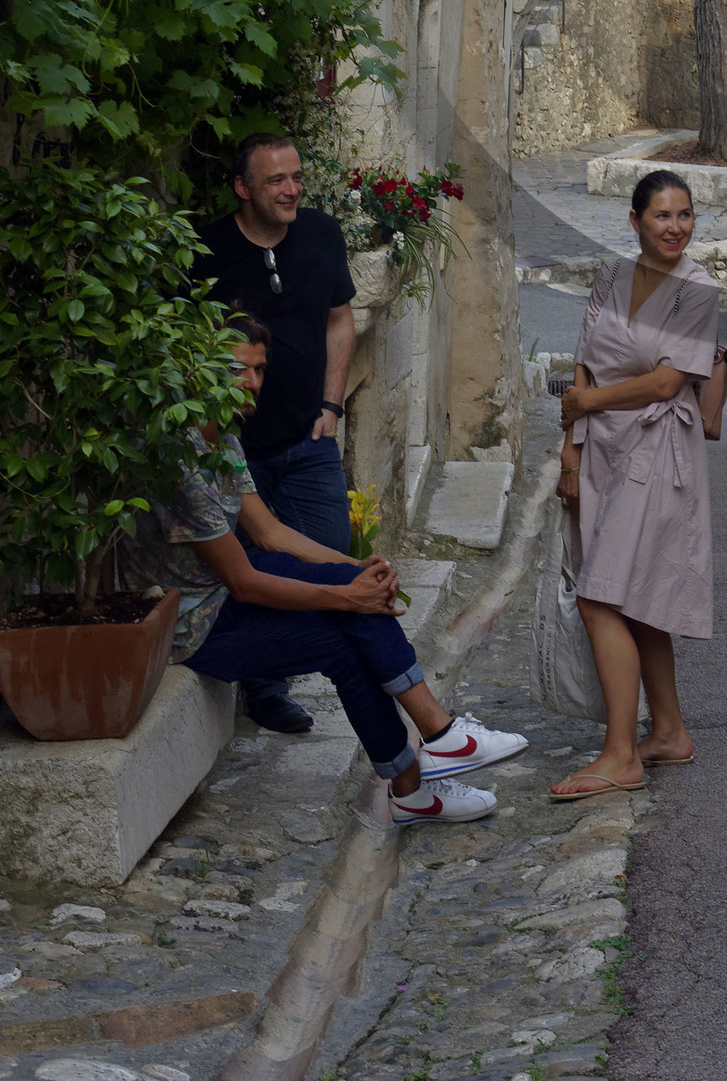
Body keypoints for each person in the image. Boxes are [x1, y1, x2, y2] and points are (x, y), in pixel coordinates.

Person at [124, 316, 525, 824]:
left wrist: (358, 567)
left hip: (222, 594)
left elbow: (269, 532)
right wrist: (348, 597)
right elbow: (245, 583)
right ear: (195, 372)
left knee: (351, 596)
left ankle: (435, 751)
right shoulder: (180, 458)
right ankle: (424, 767)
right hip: (192, 625)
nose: (250, 383)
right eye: (234, 370)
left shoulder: (221, 436)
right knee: (341, 635)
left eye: (259, 370)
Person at [553, 170, 719, 802]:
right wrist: (570, 450)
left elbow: (665, 384)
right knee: (631, 593)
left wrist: (586, 402)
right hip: (599, 449)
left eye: (685, 215)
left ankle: (620, 755)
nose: (675, 227)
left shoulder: (698, 291)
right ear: (635, 221)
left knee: (602, 596)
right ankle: (670, 732)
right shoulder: (609, 277)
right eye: (662, 217)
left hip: (657, 448)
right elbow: (583, 358)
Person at [192, 132, 357, 734]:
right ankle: (266, 687)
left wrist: (331, 405)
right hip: (235, 451)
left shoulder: (321, 234)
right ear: (243, 188)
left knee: (333, 552)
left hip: (309, 439)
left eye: (296, 177)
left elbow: (341, 320)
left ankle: (335, 658)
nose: (291, 190)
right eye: (275, 181)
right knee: (256, 563)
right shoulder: (206, 250)